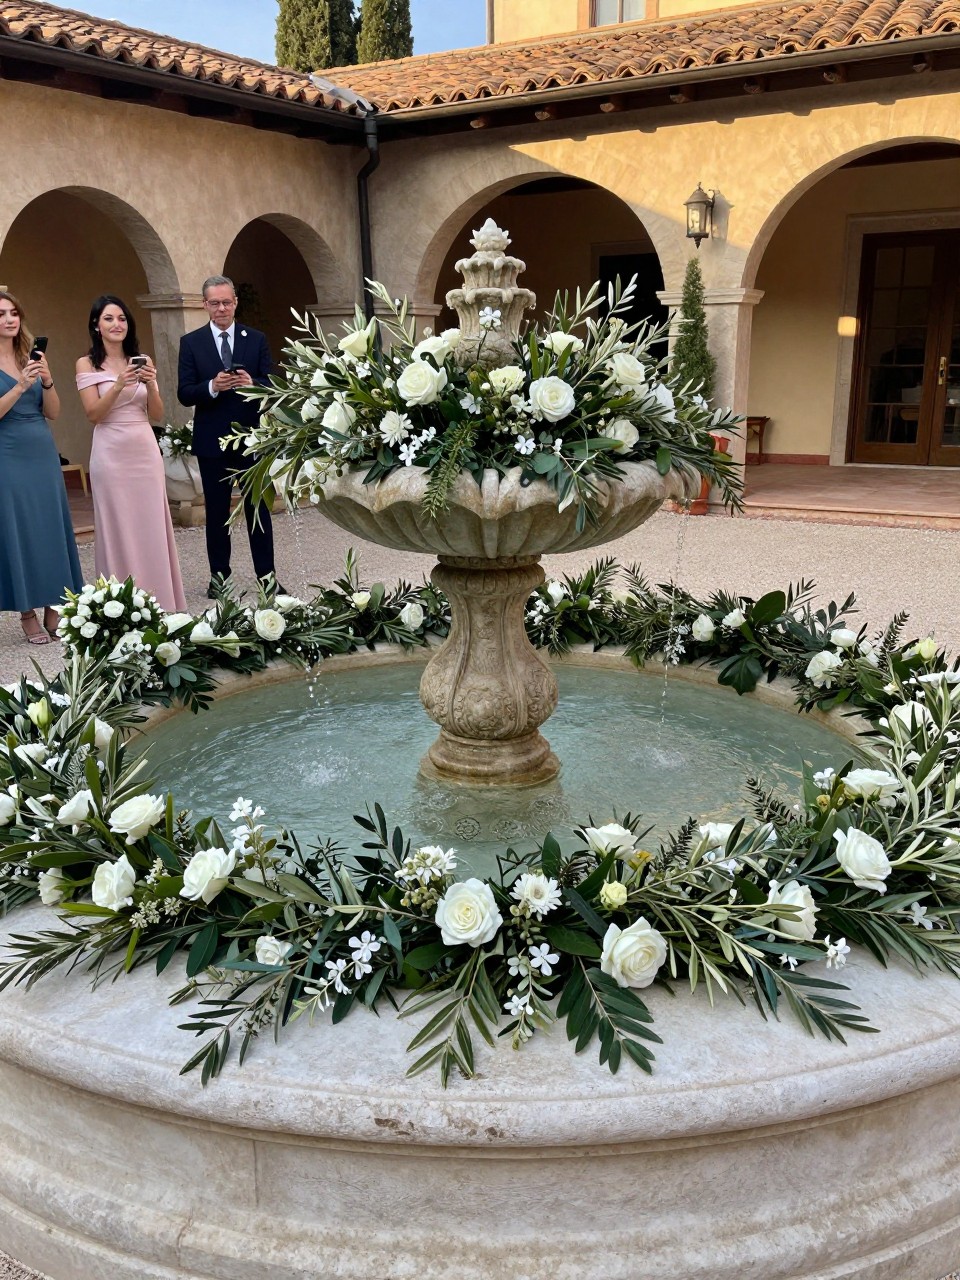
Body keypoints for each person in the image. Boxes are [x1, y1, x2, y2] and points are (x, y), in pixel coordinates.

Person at [76, 295, 186, 612]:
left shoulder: (143, 359)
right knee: (117, 525)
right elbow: (93, 414)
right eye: (109, 319)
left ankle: (161, 600)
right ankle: (120, 606)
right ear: (97, 325)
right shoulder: (86, 363)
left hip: (143, 447)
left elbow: (157, 413)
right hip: (110, 450)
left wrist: (150, 385)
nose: (116, 324)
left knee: (151, 522)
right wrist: (118, 383)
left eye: (122, 318)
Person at [177, 275, 280, 597]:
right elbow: (184, 392)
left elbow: (275, 383)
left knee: (258, 512)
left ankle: (268, 579)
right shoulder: (191, 342)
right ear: (205, 305)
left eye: (226, 302)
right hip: (212, 443)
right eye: (214, 303)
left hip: (252, 440)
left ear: (235, 302)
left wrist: (254, 383)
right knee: (218, 514)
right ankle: (219, 579)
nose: (221, 308)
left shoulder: (256, 338)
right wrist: (212, 386)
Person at [0, 289, 83, 645]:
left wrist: (46, 380)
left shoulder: (30, 356)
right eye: (1, 314)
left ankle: (55, 606)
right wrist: (20, 386)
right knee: (20, 531)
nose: (8, 319)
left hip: (42, 452)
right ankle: (27, 613)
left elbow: (53, 412)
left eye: (13, 312)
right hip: (8, 455)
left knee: (50, 527)